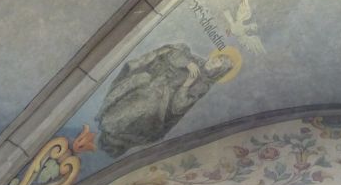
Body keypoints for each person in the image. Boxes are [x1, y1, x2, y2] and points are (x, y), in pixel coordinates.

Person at [97, 44, 242, 157]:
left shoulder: (203, 86)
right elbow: (174, 52)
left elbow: (178, 107)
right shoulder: (194, 60)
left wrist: (186, 85)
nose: (215, 61)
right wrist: (187, 63)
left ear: (219, 71)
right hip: (152, 82)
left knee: (147, 103)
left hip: (161, 101)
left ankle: (114, 133)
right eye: (218, 58)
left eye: (219, 63)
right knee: (138, 84)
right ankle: (110, 123)